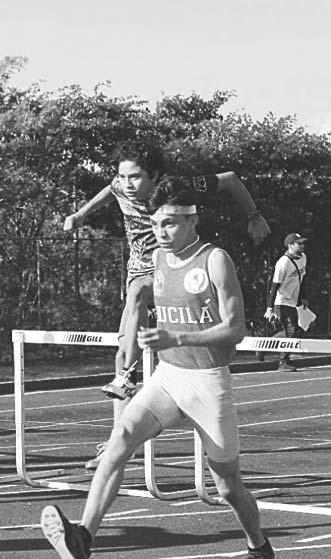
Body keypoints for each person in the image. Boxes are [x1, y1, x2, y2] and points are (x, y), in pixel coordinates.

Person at [41, 179, 274, 559]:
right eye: (154, 224)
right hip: (167, 377)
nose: (160, 232)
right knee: (120, 438)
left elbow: (236, 330)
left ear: (192, 220)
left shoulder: (215, 260)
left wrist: (178, 337)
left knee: (228, 487)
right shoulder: (159, 258)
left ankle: (259, 547)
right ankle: (83, 536)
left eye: (169, 223)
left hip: (207, 383)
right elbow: (141, 295)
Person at [63, 143, 270, 469]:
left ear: (155, 176)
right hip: (140, 272)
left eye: (135, 178)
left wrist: (254, 216)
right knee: (122, 352)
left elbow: (230, 179)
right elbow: (109, 190)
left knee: (147, 306)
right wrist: (80, 214)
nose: (127, 184)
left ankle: (141, 381)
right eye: (122, 177)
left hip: (174, 271)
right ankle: (119, 432)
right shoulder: (121, 184)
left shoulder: (179, 189)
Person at [263, 233, 309, 372]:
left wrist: (303, 297)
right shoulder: (283, 263)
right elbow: (274, 286)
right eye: (299, 244)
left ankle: (264, 346)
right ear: (290, 245)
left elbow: (301, 280)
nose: (302, 246)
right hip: (281, 301)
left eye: (303, 243)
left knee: (292, 330)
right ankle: (283, 362)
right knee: (292, 330)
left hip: (293, 301)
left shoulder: (303, 258)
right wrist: (270, 308)